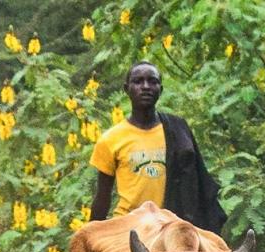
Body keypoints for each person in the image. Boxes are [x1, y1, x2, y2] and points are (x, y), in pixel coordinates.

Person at [89, 61, 227, 233]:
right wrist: (91, 235)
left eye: (152, 81)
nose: (145, 86)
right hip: (128, 227)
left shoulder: (178, 130)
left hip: (172, 227)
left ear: (160, 90)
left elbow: (196, 182)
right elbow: (102, 197)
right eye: (138, 81)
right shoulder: (110, 139)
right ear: (126, 89)